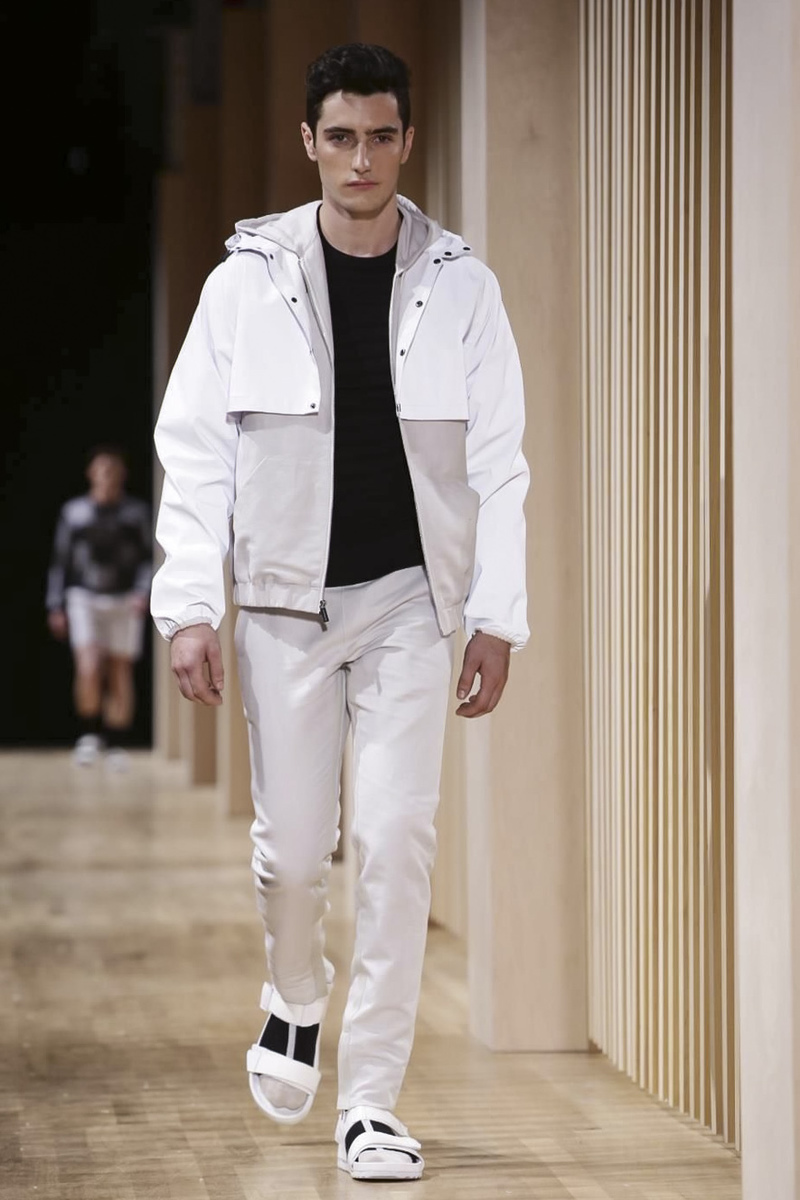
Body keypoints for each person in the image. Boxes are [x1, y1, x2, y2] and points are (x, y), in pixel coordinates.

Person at [151, 43, 529, 1181]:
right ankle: (295, 990)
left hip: (412, 603)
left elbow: (501, 464)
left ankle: (369, 1102)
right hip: (283, 606)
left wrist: (496, 614)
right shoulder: (244, 283)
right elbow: (195, 450)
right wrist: (188, 603)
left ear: (407, 142)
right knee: (290, 855)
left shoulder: (461, 286)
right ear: (309, 142)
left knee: (395, 844)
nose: (361, 158)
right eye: (342, 137)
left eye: (381, 137)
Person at [47, 445, 151, 771]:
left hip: (124, 598)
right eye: (102, 469)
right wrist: (55, 603)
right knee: (88, 665)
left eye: (113, 470)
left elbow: (148, 557)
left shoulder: (135, 514)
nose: (108, 476)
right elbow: (61, 561)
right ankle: (90, 733)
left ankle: (117, 740)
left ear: (123, 474)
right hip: (84, 596)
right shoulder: (74, 513)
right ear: (91, 473)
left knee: (120, 669)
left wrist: (143, 591)